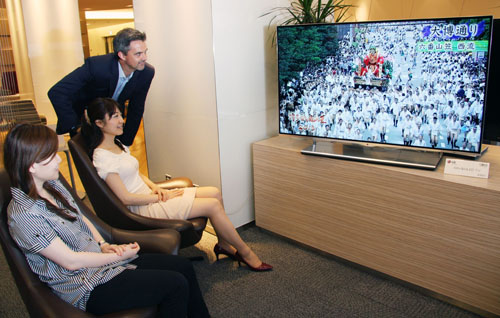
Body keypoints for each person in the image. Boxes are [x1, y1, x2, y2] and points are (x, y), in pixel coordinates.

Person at [4, 123, 210, 317]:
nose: (59, 159)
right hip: (85, 285)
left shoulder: (53, 186)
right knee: (174, 285)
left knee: (183, 267)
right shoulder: (24, 215)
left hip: (101, 263)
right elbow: (71, 261)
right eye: (50, 156)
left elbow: (81, 218)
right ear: (31, 166)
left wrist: (103, 245)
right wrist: (116, 257)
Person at [81, 97, 272, 272]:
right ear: (99, 123)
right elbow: (125, 198)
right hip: (141, 208)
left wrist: (155, 187)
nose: (122, 120)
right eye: (114, 117)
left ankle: (223, 243)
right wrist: (159, 196)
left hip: (150, 196)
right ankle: (246, 253)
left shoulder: (117, 144)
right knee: (212, 205)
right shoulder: (102, 157)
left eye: (120, 115)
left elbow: (135, 172)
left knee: (214, 193)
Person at [48, 28, 155, 146]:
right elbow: (57, 92)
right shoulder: (97, 67)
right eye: (138, 54)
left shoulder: (146, 72)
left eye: (145, 52)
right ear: (122, 55)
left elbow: (136, 108)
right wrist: (75, 127)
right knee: (90, 163)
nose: (144, 57)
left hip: (113, 126)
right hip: (88, 124)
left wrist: (125, 143)